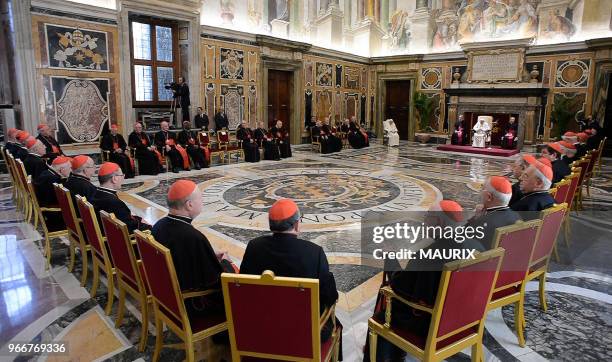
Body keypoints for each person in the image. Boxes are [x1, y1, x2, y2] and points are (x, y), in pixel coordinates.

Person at [365, 200, 470, 361]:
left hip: (428, 323)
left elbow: (398, 285)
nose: (424, 219)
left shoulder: (424, 257)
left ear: (438, 222)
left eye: (428, 216)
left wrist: (390, 257)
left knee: (381, 315)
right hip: (460, 318)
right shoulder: (470, 248)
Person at [240, 199, 340, 348]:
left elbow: (244, 288)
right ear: (296, 224)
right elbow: (329, 296)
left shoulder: (254, 247)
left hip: (262, 328)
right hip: (304, 334)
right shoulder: (314, 252)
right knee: (336, 323)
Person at [152, 180, 234, 319]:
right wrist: (225, 263)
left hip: (166, 296)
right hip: (193, 305)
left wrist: (208, 254)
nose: (203, 202)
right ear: (189, 205)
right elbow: (215, 281)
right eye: (201, 198)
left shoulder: (159, 225)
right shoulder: (193, 237)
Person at [92, 162, 151, 233]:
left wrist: (138, 219)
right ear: (114, 179)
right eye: (121, 175)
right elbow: (131, 227)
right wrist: (149, 226)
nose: (123, 178)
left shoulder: (97, 193)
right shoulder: (114, 203)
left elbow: (123, 218)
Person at [466, 176, 521, 250]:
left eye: (482, 188)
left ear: (489, 197)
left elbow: (461, 238)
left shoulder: (482, 222)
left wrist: (475, 218)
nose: (480, 191)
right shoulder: (516, 215)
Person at [33, 155, 72, 231]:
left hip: (46, 206)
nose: (71, 171)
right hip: (53, 214)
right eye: (70, 168)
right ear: (61, 170)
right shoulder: (53, 179)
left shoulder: (47, 173)